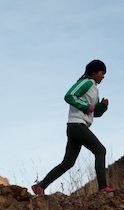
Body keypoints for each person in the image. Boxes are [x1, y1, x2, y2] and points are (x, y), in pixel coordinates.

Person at [32, 59, 115, 195]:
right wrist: (87, 106)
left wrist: (102, 107)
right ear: (93, 72)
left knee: (68, 162)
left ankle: (40, 186)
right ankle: (102, 187)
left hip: (78, 126)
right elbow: (69, 96)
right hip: (77, 125)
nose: (103, 76)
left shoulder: (95, 90)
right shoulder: (86, 82)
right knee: (100, 150)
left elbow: (95, 113)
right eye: (102, 72)